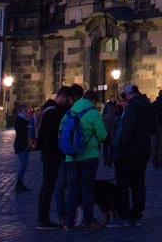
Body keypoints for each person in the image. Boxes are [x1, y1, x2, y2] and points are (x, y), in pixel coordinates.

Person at [61, 87, 108, 231]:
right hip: (89, 156)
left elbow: (61, 133)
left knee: (73, 189)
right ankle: (88, 222)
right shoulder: (93, 113)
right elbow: (103, 135)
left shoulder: (69, 112)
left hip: (71, 157)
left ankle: (69, 223)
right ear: (93, 101)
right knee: (87, 190)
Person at [111, 83, 154, 228]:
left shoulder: (133, 107)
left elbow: (127, 130)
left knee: (123, 183)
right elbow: (154, 127)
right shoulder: (148, 105)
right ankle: (137, 215)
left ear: (128, 95)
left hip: (130, 152)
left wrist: (120, 148)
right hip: (144, 150)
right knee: (138, 183)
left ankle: (124, 215)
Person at [36, 85, 73, 229]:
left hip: (48, 153)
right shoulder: (52, 112)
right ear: (62, 96)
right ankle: (43, 219)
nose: (68, 103)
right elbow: (51, 135)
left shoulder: (48, 109)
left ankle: (43, 218)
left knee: (47, 185)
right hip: (51, 153)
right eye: (68, 100)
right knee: (48, 186)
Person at [13, 103, 32, 191]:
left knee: (25, 164)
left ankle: (20, 182)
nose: (27, 112)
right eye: (25, 111)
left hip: (24, 144)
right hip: (21, 145)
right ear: (20, 112)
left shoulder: (24, 120)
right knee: (23, 164)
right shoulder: (19, 120)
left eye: (27, 110)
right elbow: (24, 132)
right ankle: (19, 182)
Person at [151, 90, 162, 168]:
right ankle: (160, 161)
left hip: (155, 125)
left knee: (155, 144)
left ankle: (154, 161)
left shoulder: (154, 104)